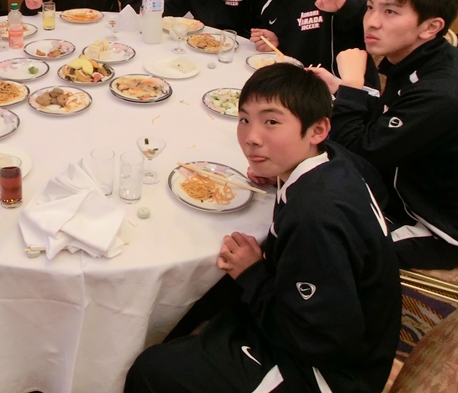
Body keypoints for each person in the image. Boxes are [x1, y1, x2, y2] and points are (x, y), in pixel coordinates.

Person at [125, 63, 400, 393]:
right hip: (328, 328)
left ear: (318, 129)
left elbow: (323, 341)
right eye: (244, 120)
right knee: (206, 301)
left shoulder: (314, 217)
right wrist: (279, 175)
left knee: (151, 370)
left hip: (326, 373)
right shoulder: (330, 161)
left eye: (271, 122)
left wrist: (252, 274)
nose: (251, 138)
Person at [312, 0, 458, 270]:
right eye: (370, 8)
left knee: (315, 237)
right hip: (399, 185)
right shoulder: (421, 59)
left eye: (390, 12)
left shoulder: (440, 92)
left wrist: (352, 87)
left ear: (430, 27)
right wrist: (342, 87)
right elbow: (390, 115)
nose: (372, 22)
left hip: (433, 224)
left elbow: (359, 151)